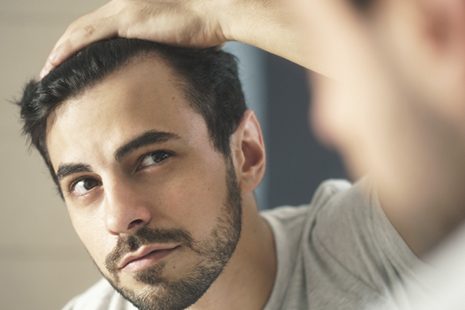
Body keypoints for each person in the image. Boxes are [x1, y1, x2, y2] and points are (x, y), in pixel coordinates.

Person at [20, 0, 465, 309]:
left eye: (153, 158)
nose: (119, 217)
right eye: (84, 184)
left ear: (246, 153)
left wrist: (215, 13)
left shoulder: (372, 243)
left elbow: (439, 85)